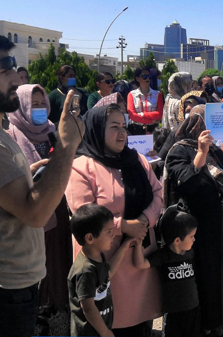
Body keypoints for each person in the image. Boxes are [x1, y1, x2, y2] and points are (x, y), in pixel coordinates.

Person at [0, 31, 84, 337]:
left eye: (15, 69)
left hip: (20, 286)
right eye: (4, 69)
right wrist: (67, 146)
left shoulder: (0, 134)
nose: (16, 81)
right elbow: (35, 213)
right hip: (5, 292)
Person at [65, 104, 164, 336]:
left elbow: (158, 194)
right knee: (108, 321)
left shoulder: (137, 161)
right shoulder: (81, 167)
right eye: (114, 127)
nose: (122, 133)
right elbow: (83, 212)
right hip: (104, 262)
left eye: (124, 126)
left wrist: (143, 221)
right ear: (97, 129)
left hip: (138, 256)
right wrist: (123, 226)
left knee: (139, 324)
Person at [164, 106, 223, 335]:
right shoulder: (179, 150)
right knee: (206, 279)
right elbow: (187, 183)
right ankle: (206, 329)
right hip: (198, 231)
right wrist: (200, 153)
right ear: (195, 125)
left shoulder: (213, 149)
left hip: (222, 228)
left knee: (222, 278)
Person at [6, 84, 73, 331]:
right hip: (30, 216)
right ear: (21, 106)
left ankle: (57, 319)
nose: (40, 109)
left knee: (57, 266)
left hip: (58, 212)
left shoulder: (53, 133)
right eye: (33, 104)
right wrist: (30, 173)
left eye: (42, 103)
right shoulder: (10, 137)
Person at [67, 204, 134, 337]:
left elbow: (107, 273)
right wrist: (105, 332)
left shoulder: (97, 255)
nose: (113, 235)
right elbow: (88, 307)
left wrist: (124, 247)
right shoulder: (85, 271)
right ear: (90, 238)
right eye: (109, 232)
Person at [131, 209, 200, 337]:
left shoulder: (190, 253)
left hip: (193, 308)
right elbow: (140, 264)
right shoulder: (163, 256)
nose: (194, 239)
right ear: (177, 240)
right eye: (191, 236)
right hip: (173, 313)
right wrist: (138, 245)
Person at [127, 67, 164, 136]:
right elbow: (132, 115)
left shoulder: (158, 94)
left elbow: (160, 113)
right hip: (136, 130)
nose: (147, 79)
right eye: (144, 76)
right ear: (137, 78)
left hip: (153, 130)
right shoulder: (131, 95)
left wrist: (142, 115)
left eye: (149, 76)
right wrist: (149, 120)